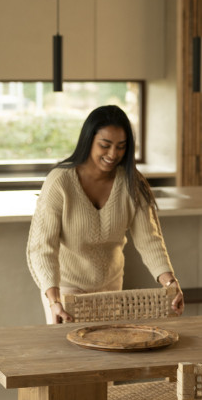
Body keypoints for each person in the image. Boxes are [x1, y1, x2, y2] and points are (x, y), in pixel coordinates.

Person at [26, 104, 184, 323]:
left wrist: (170, 283)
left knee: (108, 352)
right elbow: (43, 248)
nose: (113, 154)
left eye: (121, 146)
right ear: (89, 140)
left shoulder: (131, 183)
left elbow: (150, 240)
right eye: (105, 145)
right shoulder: (60, 182)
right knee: (72, 354)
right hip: (66, 289)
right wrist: (54, 300)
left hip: (110, 288)